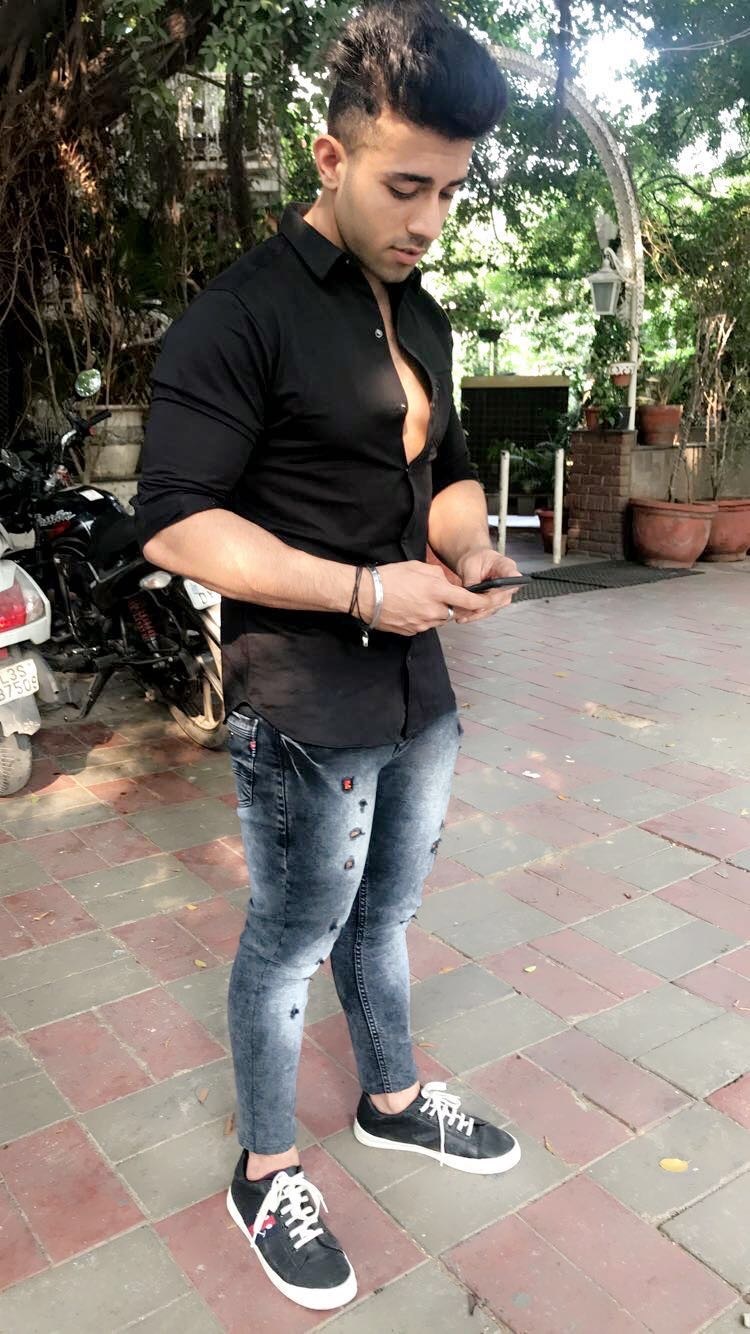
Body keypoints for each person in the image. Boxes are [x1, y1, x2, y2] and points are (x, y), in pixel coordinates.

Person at [136, 0, 523, 1312]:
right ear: (330, 156)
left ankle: (391, 1099)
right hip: (303, 702)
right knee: (293, 936)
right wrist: (362, 586)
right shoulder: (239, 314)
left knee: (388, 916)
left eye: (450, 191)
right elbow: (176, 521)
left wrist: (469, 552)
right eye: (405, 187)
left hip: (419, 690)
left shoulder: (422, 314)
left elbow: (447, 469)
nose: (429, 220)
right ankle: (264, 1169)